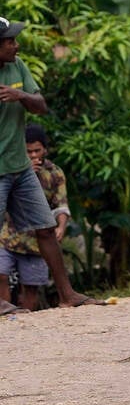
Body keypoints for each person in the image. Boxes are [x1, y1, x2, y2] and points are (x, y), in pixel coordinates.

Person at [0, 17, 101, 312]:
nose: (16, 45)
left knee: (45, 228)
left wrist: (20, 95)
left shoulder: (17, 66)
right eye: (9, 41)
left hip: (20, 167)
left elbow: (41, 105)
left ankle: (67, 294)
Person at [0, 125, 70, 310]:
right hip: (9, 237)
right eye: (28, 151)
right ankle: (5, 315)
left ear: (44, 149)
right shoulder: (10, 169)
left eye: (37, 151)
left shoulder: (55, 173)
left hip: (36, 244)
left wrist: (61, 227)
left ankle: (28, 324)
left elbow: (61, 205)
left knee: (30, 288)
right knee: (1, 275)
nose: (33, 155)